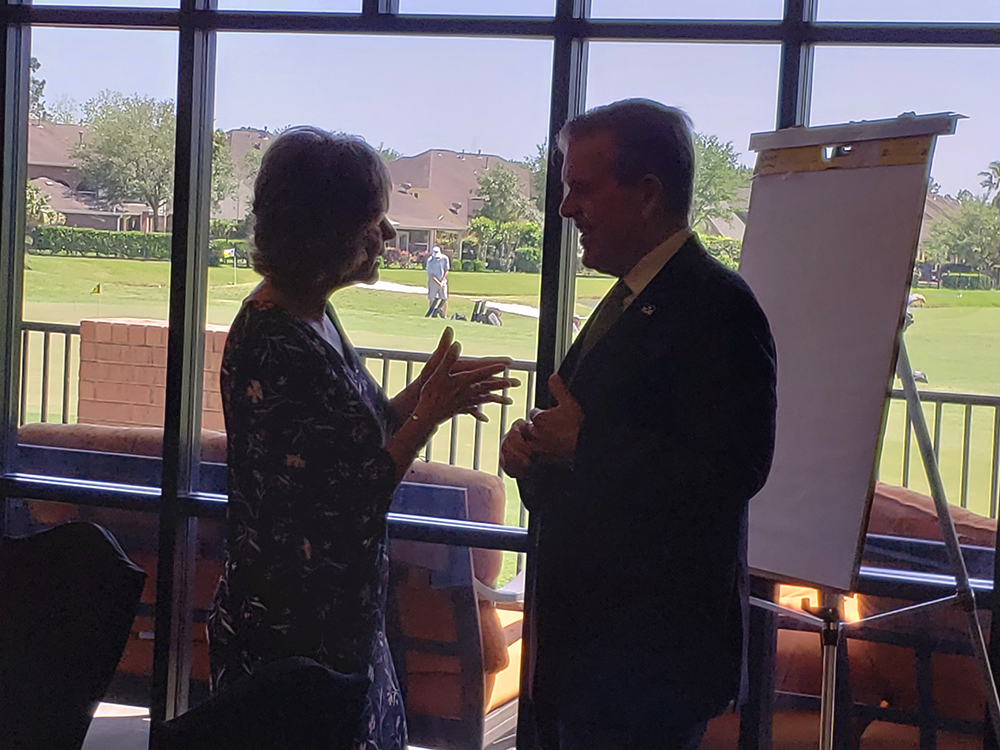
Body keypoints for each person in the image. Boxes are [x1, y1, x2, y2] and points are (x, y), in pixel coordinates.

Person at [207, 127, 518, 750]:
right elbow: (350, 497)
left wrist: (419, 397)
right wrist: (426, 417)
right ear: (326, 233)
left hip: (338, 617)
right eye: (373, 219)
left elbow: (349, 434)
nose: (390, 234)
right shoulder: (275, 342)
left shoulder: (311, 314)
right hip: (293, 632)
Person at [500, 99, 777, 750]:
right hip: (590, 662)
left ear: (647, 193)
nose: (565, 208)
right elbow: (592, 457)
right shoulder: (630, 298)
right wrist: (538, 456)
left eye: (581, 188)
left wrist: (582, 444)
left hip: (644, 674)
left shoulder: (717, 306)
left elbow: (733, 469)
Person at [425, 245, 450, 317]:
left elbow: (446, 270)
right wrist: (439, 283)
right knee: (432, 298)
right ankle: (432, 313)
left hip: (443, 280)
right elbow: (431, 275)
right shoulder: (430, 261)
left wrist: (442, 280)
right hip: (433, 281)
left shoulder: (445, 258)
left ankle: (444, 315)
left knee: (444, 298)